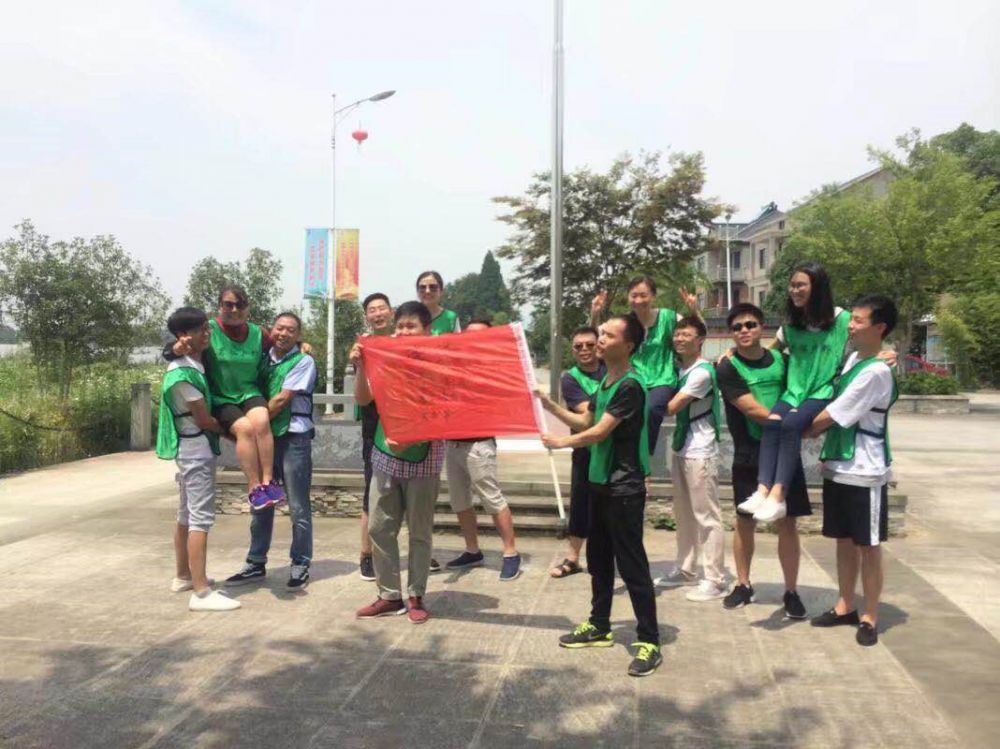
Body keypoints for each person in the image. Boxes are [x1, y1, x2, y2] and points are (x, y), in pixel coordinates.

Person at [538, 313, 662, 677]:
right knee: (599, 560)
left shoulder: (630, 385)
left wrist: (560, 442)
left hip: (624, 487)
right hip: (599, 483)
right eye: (601, 333)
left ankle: (649, 640)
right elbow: (584, 421)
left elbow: (598, 433)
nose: (601, 339)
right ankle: (599, 625)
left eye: (608, 335)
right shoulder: (606, 381)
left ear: (629, 345)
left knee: (632, 565)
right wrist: (548, 404)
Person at [805, 295, 898, 646]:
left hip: (865, 470)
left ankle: (869, 615)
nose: (851, 326)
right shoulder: (855, 359)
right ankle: (845, 604)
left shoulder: (876, 371)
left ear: (880, 328)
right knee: (843, 541)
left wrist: (795, 429)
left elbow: (837, 412)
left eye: (859, 320)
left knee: (868, 545)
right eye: (851, 319)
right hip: (839, 465)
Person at [351, 301, 443, 624]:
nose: (403, 331)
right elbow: (363, 399)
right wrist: (361, 366)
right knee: (379, 527)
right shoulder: (385, 358)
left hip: (424, 459)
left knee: (419, 531)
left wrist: (412, 437)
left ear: (427, 330)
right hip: (385, 454)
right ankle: (389, 595)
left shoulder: (438, 365)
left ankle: (416, 595)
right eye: (400, 326)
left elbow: (443, 413)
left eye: (411, 326)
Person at [715, 304, 810, 617]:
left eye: (750, 324)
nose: (744, 330)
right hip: (749, 452)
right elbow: (751, 409)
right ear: (731, 333)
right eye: (738, 327)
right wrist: (793, 425)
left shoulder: (783, 361)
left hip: (785, 453)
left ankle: (791, 591)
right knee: (745, 521)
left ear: (762, 327)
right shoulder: (727, 367)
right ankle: (743, 585)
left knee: (787, 522)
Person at [738, 263, 848, 524]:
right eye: (792, 285)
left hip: (821, 391)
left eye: (801, 285)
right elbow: (769, 351)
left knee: (790, 426)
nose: (794, 290)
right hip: (794, 391)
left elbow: (868, 337)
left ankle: (778, 495)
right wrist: (735, 353)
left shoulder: (842, 319)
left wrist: (884, 354)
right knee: (772, 423)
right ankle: (763, 490)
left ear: (817, 287)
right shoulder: (790, 325)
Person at [167, 286, 285, 512]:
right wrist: (174, 349)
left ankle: (268, 481)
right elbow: (175, 348)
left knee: (262, 421)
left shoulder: (258, 333)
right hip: (222, 397)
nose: (234, 310)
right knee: (245, 429)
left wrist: (301, 345)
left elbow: (282, 346)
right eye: (228, 305)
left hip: (249, 392)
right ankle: (254, 487)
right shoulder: (209, 330)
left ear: (248, 308)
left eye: (240, 305)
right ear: (220, 307)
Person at [225, 312, 316, 590]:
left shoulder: (303, 360)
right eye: (279, 328)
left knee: (298, 505)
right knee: (261, 498)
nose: (283, 334)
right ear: (271, 330)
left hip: (293, 437)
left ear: (298, 336)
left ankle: (300, 562)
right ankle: (255, 561)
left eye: (291, 330)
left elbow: (281, 400)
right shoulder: (263, 358)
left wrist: (252, 422)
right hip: (266, 438)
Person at [156, 307, 240, 612]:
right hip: (196, 451)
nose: (207, 333)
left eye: (207, 328)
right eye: (201, 330)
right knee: (200, 519)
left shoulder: (188, 363)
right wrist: (233, 432)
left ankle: (184, 576)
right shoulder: (183, 374)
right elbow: (204, 420)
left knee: (186, 514)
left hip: (190, 449)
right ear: (183, 336)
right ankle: (202, 592)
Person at [654, 317, 727, 602]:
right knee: (683, 514)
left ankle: (715, 579)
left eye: (687, 334)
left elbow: (671, 408)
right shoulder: (678, 368)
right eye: (677, 334)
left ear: (700, 340)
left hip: (701, 450)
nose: (680, 339)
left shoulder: (702, 373)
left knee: (707, 516)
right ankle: (685, 569)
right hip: (682, 447)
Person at [443, 319, 522, 581]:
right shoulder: (454, 366)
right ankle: (472, 550)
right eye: (469, 335)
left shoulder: (494, 369)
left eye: (480, 335)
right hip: (453, 443)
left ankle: (510, 552)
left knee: (491, 498)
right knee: (459, 500)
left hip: (479, 445)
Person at [591, 275, 699, 456]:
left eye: (643, 295)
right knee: (607, 410)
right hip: (631, 379)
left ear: (653, 297)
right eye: (634, 295)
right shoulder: (624, 323)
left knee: (651, 410)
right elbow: (596, 338)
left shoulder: (669, 317)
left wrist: (694, 311)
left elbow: (697, 333)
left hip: (662, 379)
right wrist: (595, 314)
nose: (638, 300)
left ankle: (643, 455)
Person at [546, 326, 606, 579]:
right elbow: (587, 414)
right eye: (578, 346)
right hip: (585, 450)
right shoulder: (570, 378)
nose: (584, 350)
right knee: (581, 505)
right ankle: (573, 558)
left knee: (612, 508)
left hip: (611, 450)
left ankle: (610, 557)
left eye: (590, 345)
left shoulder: (612, 369)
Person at [356, 292, 394, 581]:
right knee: (372, 493)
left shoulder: (403, 342)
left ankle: (417, 551)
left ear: (391, 312)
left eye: (382, 308)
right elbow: (362, 394)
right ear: (367, 316)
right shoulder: (362, 347)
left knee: (407, 495)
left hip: (403, 428)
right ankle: (366, 554)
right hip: (374, 429)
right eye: (372, 310)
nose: (378, 313)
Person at [416, 270, 461, 336]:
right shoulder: (409, 316)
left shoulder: (451, 317)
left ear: (441, 291)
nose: (427, 291)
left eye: (433, 287)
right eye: (422, 287)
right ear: (417, 292)